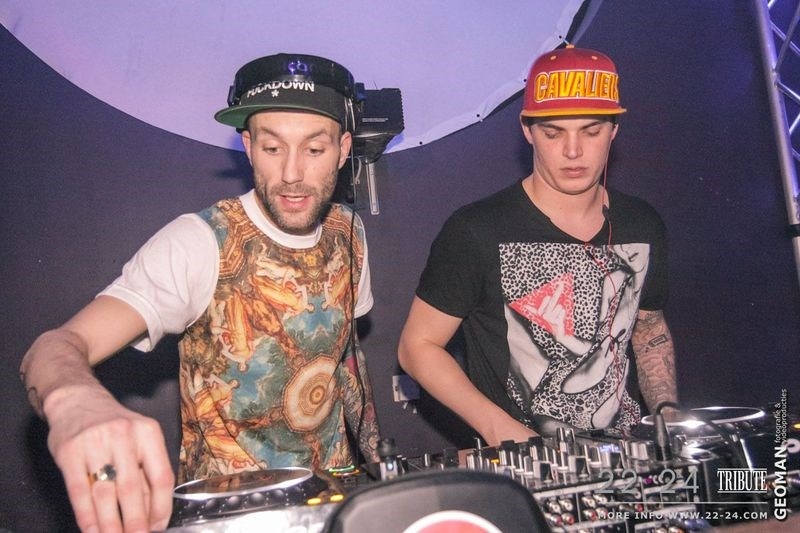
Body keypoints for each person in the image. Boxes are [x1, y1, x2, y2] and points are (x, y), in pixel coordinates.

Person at [19, 53, 381, 533]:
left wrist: (378, 465)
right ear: (248, 146)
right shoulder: (199, 242)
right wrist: (74, 402)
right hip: (229, 517)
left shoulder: (348, 232)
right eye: (273, 148)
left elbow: (345, 359)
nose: (292, 172)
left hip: (336, 505)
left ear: (342, 149)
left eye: (314, 149)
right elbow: (54, 348)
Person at [398, 45, 677, 447]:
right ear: (527, 130)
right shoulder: (476, 230)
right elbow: (417, 346)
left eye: (591, 131)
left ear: (614, 129)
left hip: (624, 454)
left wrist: (668, 417)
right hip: (523, 463)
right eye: (553, 132)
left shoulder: (642, 223)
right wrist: (501, 431)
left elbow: (649, 328)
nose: (573, 151)